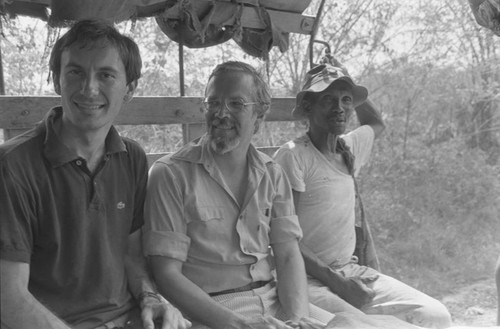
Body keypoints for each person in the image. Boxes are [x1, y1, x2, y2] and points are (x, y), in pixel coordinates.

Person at [0, 19, 190, 329]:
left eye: (106, 75)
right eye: (75, 72)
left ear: (129, 88)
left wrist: (150, 298)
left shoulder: (132, 158)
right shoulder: (13, 166)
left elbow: (130, 255)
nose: (89, 88)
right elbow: (8, 297)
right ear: (56, 80)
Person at [142, 61, 335, 329]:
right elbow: (166, 274)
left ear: (259, 116)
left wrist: (298, 320)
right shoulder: (170, 174)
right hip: (209, 311)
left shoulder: (273, 174)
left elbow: (289, 255)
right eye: (213, 103)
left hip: (274, 300)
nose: (221, 113)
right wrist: (243, 326)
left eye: (236, 104)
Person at [273, 62, 452, 329]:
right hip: (307, 278)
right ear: (308, 107)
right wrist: (337, 282)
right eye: (329, 100)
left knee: (436, 316)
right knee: (365, 326)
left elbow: (376, 122)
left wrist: (346, 76)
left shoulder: (348, 147)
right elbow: (284, 238)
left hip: (351, 271)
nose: (340, 107)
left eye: (346, 100)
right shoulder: (293, 156)